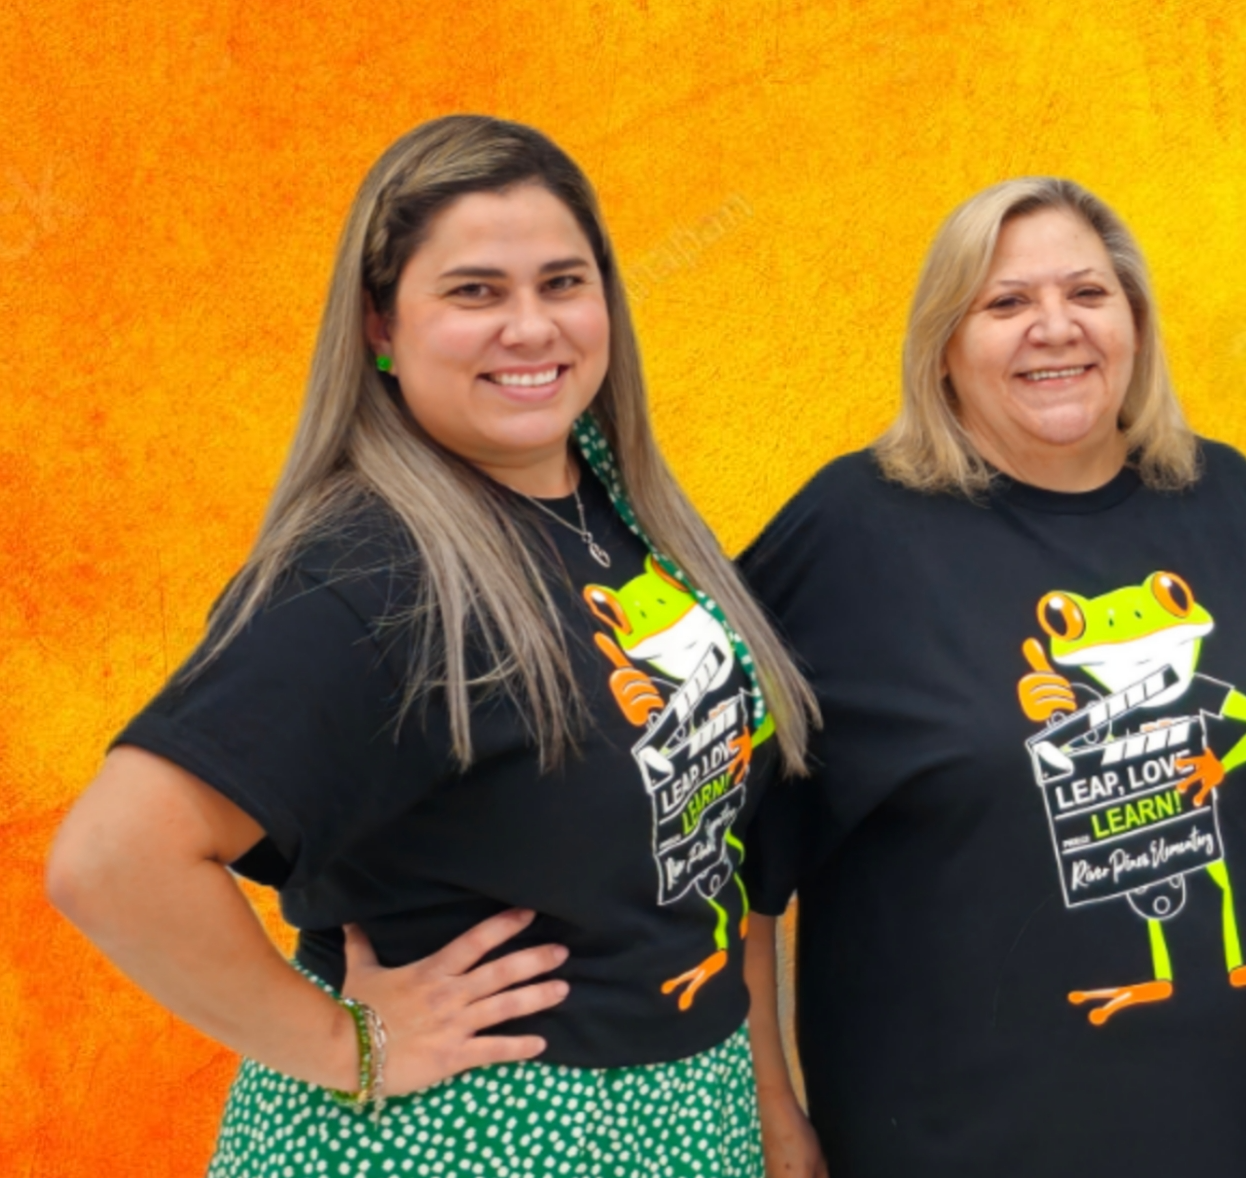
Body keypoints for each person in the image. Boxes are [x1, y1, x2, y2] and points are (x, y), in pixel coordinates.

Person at [44, 115, 817, 1178]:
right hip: (468, 1140)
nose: (531, 327)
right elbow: (113, 859)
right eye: (474, 292)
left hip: (678, 1120)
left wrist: (766, 1112)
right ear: (380, 327)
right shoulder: (375, 573)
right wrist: (344, 1045)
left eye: (562, 282)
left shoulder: (610, 511)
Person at [734, 176, 1246, 1178]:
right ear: (942, 345)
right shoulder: (848, 533)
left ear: (1134, 321)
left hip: (1240, 1130)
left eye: (1086, 293)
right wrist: (767, 1110)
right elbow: (718, 868)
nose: (1053, 328)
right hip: (957, 1143)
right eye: (1005, 303)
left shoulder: (1225, 498)